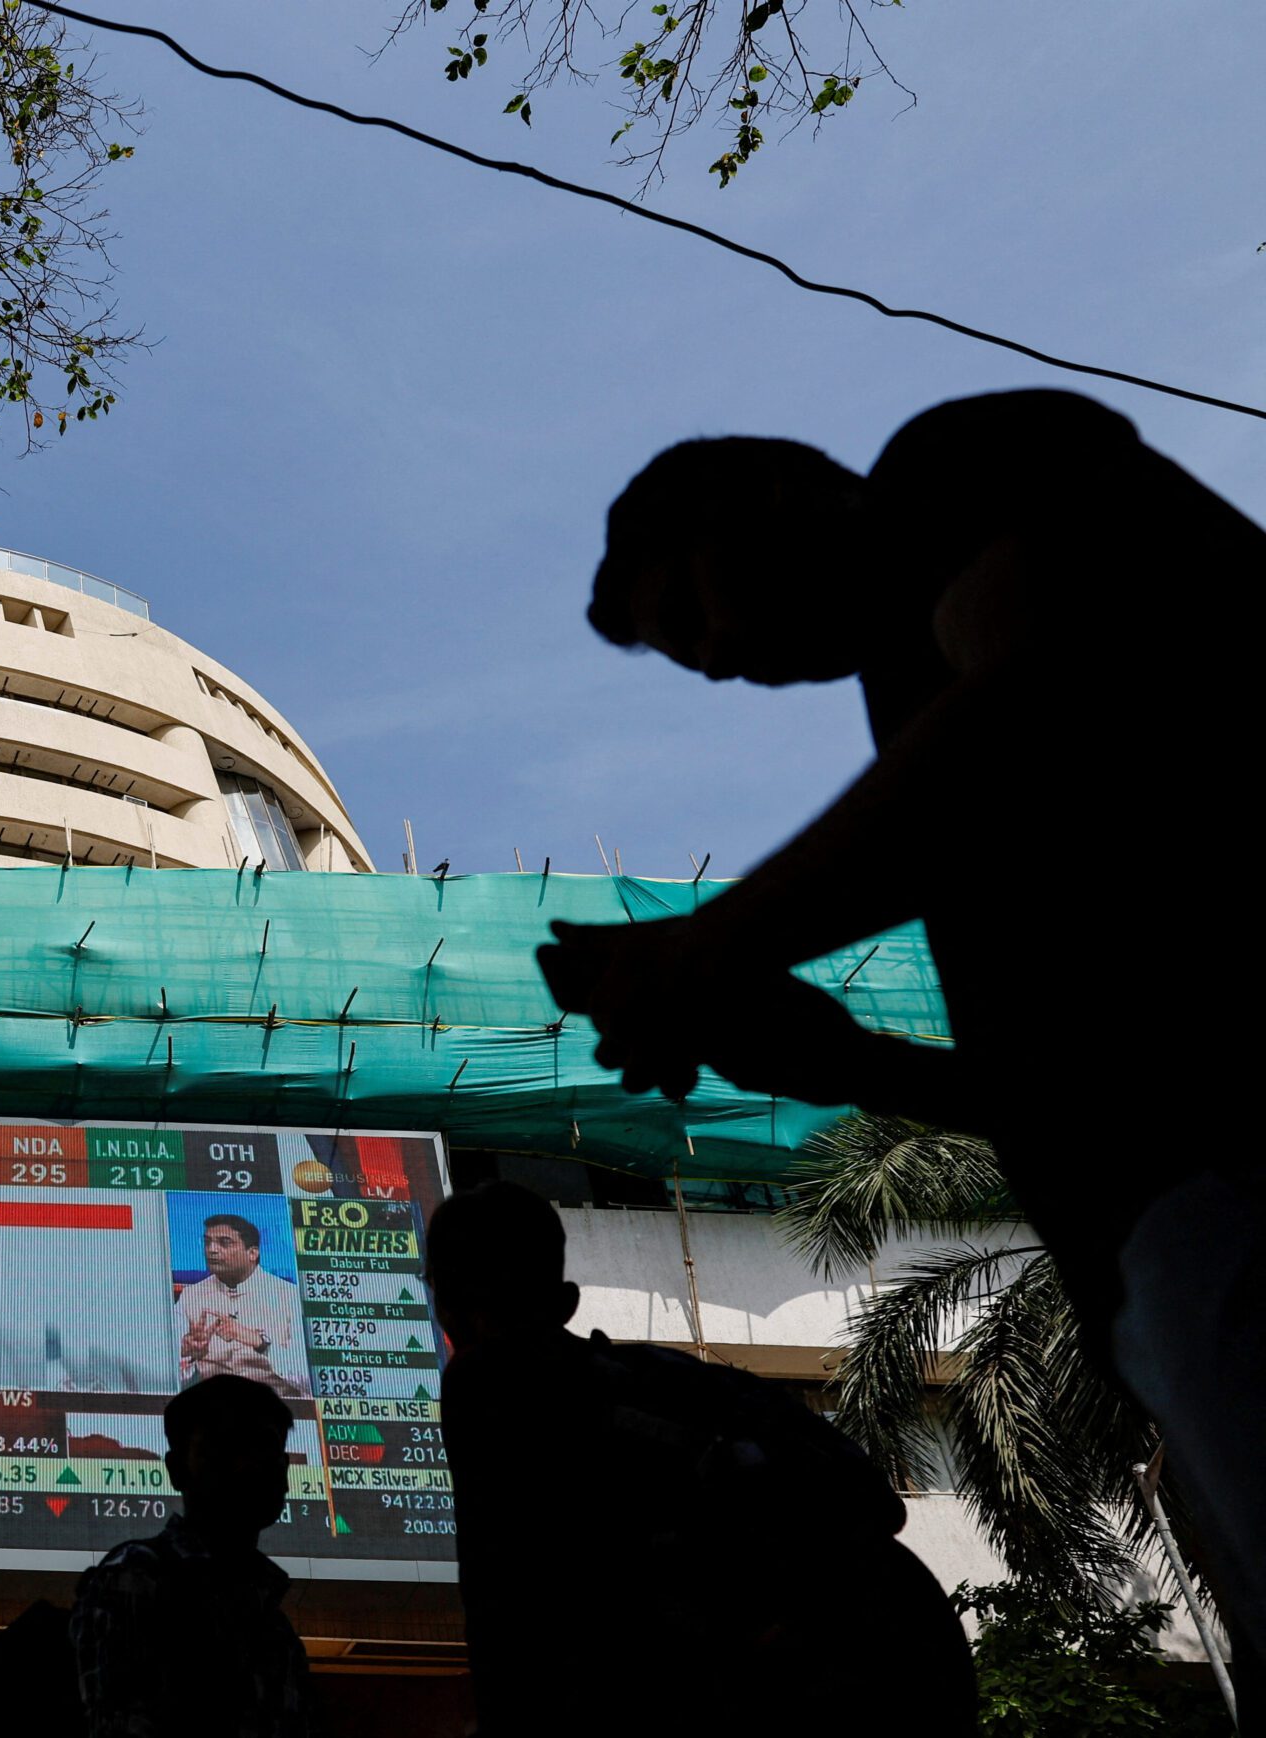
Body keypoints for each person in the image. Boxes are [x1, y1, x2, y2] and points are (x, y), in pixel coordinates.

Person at [536, 390, 1266, 1635]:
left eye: (693, 609)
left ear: (763, 494)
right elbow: (1085, 1094)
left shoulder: (950, 467)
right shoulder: (919, 695)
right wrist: (856, 1060)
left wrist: (702, 955)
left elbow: (1043, 702)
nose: (717, 658)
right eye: (688, 654)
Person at [432, 1181, 974, 1738]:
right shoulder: (687, 1384)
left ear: (450, 1309)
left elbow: (511, 1640)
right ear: (569, 1300)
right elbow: (877, 1502)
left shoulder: (488, 1388)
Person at [71, 1375, 314, 1738]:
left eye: (267, 1446)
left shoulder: (275, 1628)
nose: (253, 1463)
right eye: (229, 1446)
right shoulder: (136, 1578)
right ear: (177, 1468)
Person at [174, 1214, 311, 1397]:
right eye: (207, 1242)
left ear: (253, 1253)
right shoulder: (191, 1296)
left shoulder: (289, 1296)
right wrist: (185, 1353)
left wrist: (262, 1344)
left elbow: (312, 1380)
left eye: (224, 1242)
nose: (211, 1250)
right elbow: (166, 1378)